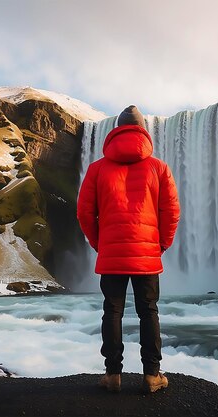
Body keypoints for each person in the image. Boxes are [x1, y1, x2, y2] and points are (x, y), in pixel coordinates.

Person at [77, 105, 181, 393]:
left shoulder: (97, 168)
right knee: (149, 311)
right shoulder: (159, 167)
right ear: (142, 131)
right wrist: (162, 243)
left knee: (112, 311)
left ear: (117, 131)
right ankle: (152, 375)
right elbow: (171, 210)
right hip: (147, 255)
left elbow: (84, 212)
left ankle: (112, 375)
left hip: (111, 253)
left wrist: (100, 243)